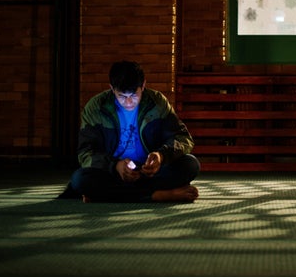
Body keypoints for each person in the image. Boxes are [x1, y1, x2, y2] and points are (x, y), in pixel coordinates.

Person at [58, 60, 200, 203]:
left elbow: (182, 138)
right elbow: (85, 153)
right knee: (80, 179)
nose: (128, 102)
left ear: (143, 85)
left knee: (190, 164)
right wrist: (115, 166)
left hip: (150, 171)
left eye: (133, 95)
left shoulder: (156, 102)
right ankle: (157, 195)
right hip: (114, 173)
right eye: (122, 96)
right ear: (112, 89)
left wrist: (161, 155)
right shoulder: (96, 107)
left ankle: (107, 195)